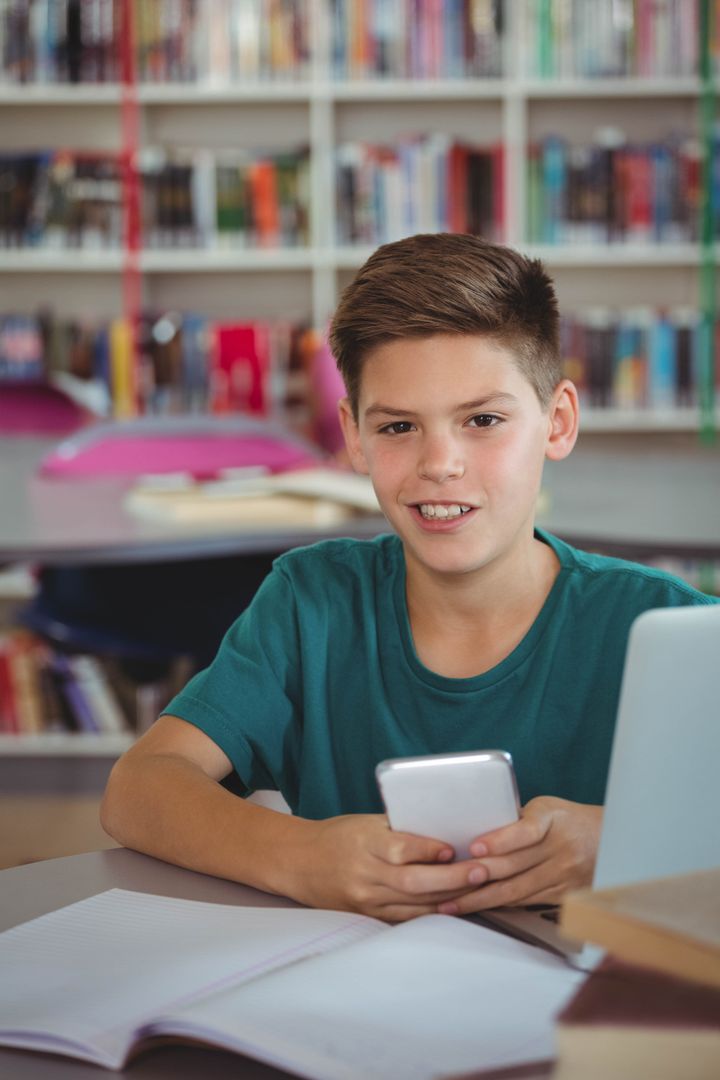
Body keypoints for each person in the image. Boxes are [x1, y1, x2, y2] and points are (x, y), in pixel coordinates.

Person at [101, 233, 716, 923]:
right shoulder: (311, 604)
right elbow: (139, 787)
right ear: (355, 437)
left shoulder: (667, 629)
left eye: (483, 420)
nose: (441, 463)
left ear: (559, 421)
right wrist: (299, 856)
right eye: (398, 427)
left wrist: (627, 845)